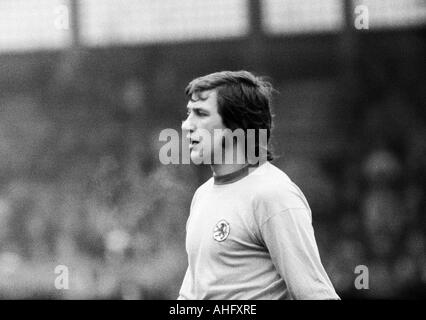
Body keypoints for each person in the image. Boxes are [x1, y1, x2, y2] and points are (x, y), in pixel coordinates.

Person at [178, 70, 339, 300]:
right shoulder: (202, 196)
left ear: (236, 127)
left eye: (200, 114)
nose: (187, 125)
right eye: (188, 114)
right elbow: (192, 297)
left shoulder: (273, 194)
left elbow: (315, 294)